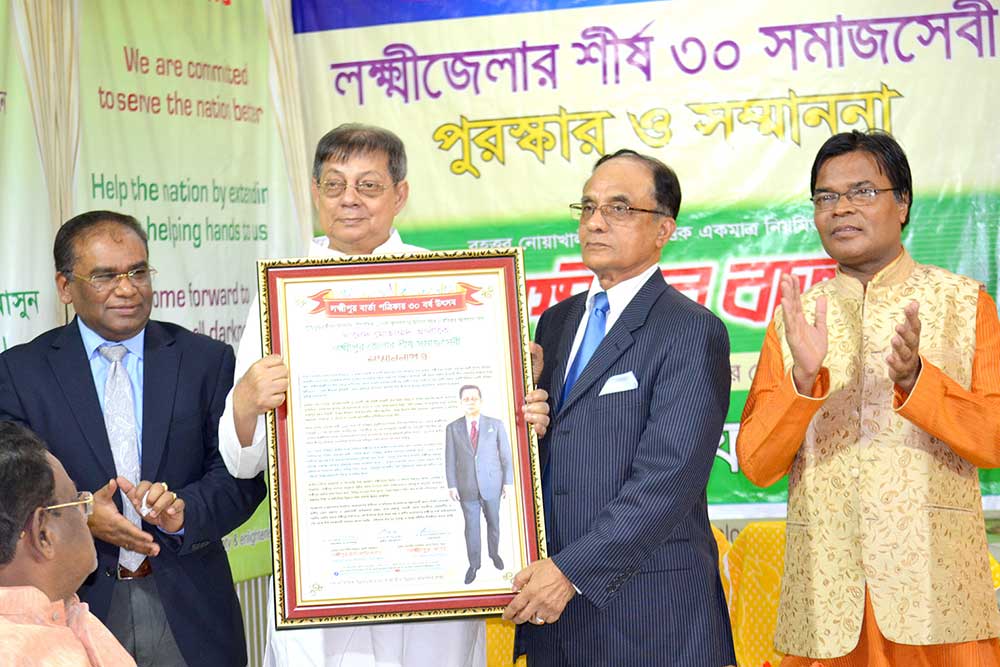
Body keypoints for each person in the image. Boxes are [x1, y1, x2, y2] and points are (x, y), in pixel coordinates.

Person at [219, 123, 550, 667]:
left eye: (368, 185)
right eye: (334, 184)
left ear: (400, 194)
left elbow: (495, 436)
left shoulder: (454, 284)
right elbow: (242, 462)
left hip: (434, 577)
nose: (349, 199)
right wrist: (247, 402)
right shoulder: (280, 298)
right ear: (316, 193)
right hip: (326, 573)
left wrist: (519, 403)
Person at [736, 130, 1000, 666]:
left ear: (902, 203)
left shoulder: (964, 304)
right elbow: (756, 464)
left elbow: (994, 439)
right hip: (827, 601)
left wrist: (918, 379)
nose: (841, 208)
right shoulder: (793, 321)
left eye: (862, 191)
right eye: (826, 196)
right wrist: (802, 381)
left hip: (937, 598)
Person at [0, 211, 266, 667]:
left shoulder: (205, 361)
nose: (128, 289)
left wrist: (183, 514)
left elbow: (240, 478)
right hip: (77, 605)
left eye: (138, 272)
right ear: (65, 287)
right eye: (105, 276)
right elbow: (10, 496)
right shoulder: (20, 373)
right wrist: (84, 514)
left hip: (192, 607)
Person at [505, 149, 736, 667]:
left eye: (619, 208)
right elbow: (554, 456)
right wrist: (523, 422)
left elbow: (667, 480)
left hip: (651, 619)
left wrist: (570, 572)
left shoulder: (690, 330)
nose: (595, 222)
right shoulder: (554, 324)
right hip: (556, 617)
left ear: (663, 229)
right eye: (587, 207)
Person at [0, 421, 136, 667]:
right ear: (44, 535)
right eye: (77, 501)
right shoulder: (18, 655)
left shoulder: (66, 610)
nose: (88, 514)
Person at [445, 384, 514, 585]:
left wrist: (508, 482)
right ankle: (474, 565)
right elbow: (450, 459)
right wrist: (452, 485)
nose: (470, 402)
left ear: (481, 401)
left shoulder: (496, 424)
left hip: (492, 485)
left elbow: (506, 456)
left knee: (494, 523)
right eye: (466, 399)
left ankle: (494, 554)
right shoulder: (453, 428)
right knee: (471, 528)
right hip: (466, 487)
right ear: (460, 402)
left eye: (474, 398)